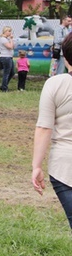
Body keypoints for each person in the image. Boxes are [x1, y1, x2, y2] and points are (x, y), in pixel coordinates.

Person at [32, 33, 72, 230]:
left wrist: (36, 166)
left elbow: (44, 127)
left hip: (64, 168)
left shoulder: (55, 84)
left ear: (65, 57)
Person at [0, 26, 15, 92]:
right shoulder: (3, 39)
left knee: (12, 72)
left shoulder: (7, 39)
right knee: (6, 73)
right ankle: (4, 88)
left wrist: (11, 40)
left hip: (9, 57)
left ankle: (3, 85)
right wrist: (11, 39)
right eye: (9, 31)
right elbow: (10, 47)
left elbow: (13, 46)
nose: (10, 33)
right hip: (5, 57)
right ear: (5, 31)